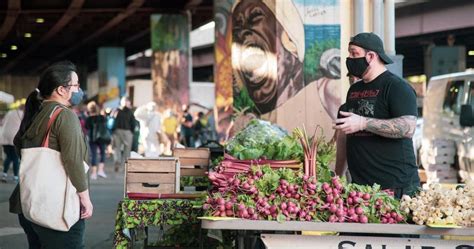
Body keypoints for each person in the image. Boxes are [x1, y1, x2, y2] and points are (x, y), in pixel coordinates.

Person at [9, 61, 93, 248]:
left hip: (29, 204)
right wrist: (85, 198)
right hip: (55, 207)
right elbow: (73, 161)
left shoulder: (37, 112)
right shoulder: (64, 115)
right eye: (76, 85)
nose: (79, 90)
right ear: (61, 90)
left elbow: (18, 145)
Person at [334, 32, 419, 199]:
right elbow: (344, 135)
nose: (349, 59)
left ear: (371, 56)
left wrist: (363, 123)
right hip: (361, 191)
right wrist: (337, 176)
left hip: (398, 190)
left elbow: (407, 128)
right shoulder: (354, 90)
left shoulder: (396, 87)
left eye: (354, 53)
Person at [1, 101, 24, 183]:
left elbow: (2, 122)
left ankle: (4, 175)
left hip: (5, 137)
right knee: (15, 158)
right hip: (14, 138)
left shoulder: (10, 112)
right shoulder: (22, 115)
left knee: (9, 156)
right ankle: (15, 177)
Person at [112, 96, 136, 172]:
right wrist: (132, 132)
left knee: (117, 148)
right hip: (127, 132)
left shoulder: (116, 110)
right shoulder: (130, 112)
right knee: (127, 150)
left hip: (117, 131)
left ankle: (117, 161)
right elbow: (133, 123)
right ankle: (125, 166)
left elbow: (111, 120)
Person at [85, 101, 108, 179]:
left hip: (92, 139)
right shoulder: (102, 117)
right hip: (102, 138)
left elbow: (86, 127)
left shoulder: (88, 119)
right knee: (102, 153)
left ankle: (94, 173)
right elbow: (106, 125)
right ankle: (101, 171)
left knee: (94, 155)